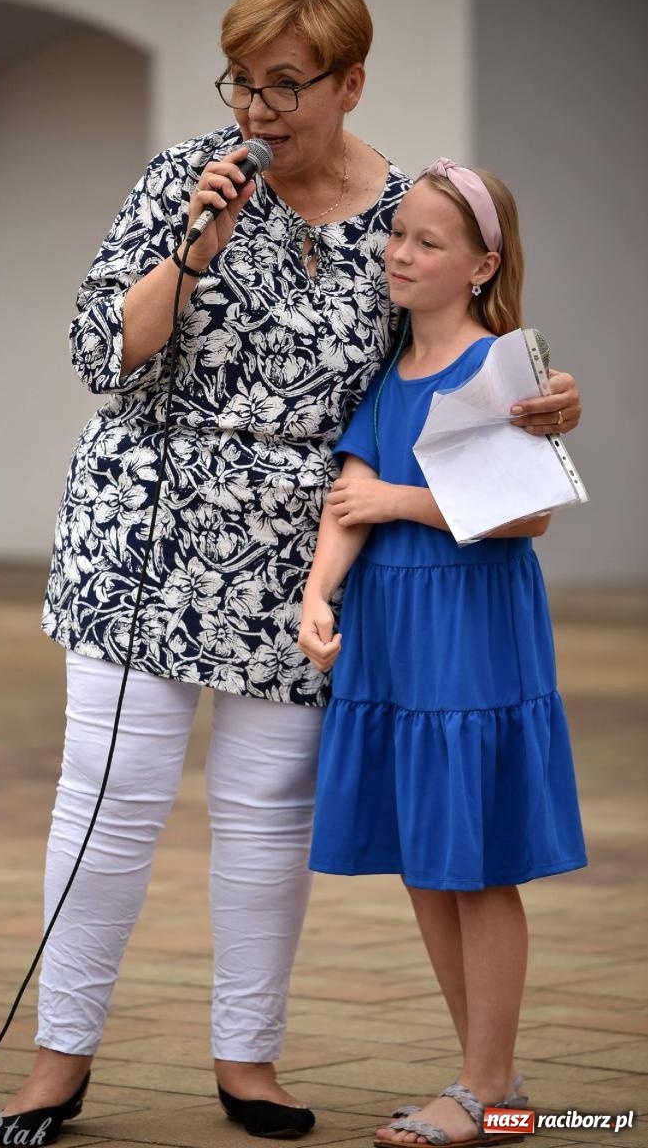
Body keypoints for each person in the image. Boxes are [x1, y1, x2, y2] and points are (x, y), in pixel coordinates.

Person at [0, 0, 582, 1146]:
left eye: (285, 85)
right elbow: (100, 354)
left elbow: (456, 348)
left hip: (303, 545)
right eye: (242, 83)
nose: (256, 109)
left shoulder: (401, 209)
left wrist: (542, 398)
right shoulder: (184, 178)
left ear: (349, 84)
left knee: (265, 814)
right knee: (109, 803)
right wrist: (195, 251)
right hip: (143, 529)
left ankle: (246, 1061)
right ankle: (56, 1063)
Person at [298, 159, 587, 1147]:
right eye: (399, 236)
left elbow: (531, 511)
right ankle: (484, 1088)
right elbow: (349, 495)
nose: (401, 254)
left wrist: (397, 504)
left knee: (475, 860)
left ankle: (484, 1088)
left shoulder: (503, 364)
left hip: (469, 635)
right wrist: (318, 592)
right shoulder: (391, 372)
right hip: (394, 639)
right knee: (430, 856)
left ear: (480, 265)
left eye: (428, 241)